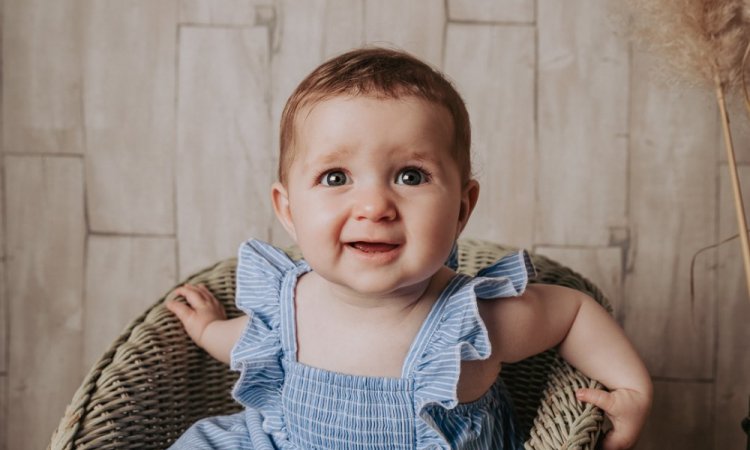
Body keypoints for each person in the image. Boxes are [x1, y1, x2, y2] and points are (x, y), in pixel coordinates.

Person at [166, 47, 652, 450]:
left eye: (410, 176)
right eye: (336, 177)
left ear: (463, 208)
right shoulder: (287, 299)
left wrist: (635, 389)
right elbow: (249, 343)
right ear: (288, 210)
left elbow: (572, 314)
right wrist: (209, 329)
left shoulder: (471, 321)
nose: (375, 205)